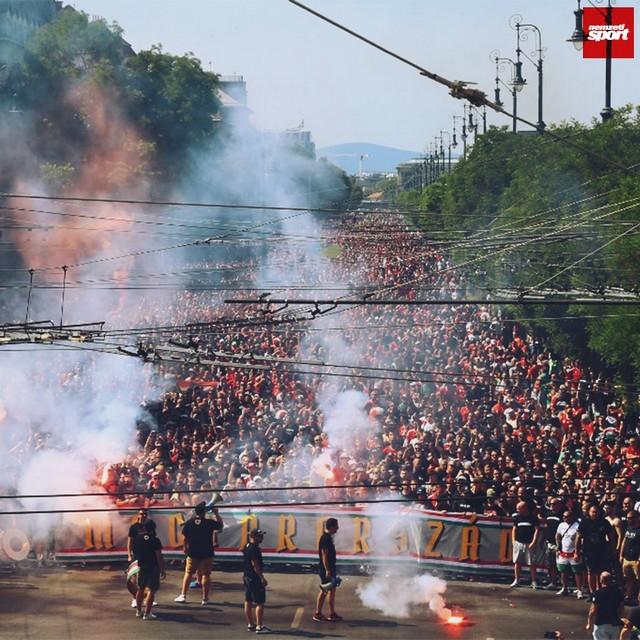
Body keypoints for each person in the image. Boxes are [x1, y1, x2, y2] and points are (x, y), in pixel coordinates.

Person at [174, 502, 223, 605]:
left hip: (193, 552)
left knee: (188, 573)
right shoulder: (209, 522)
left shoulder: (190, 522)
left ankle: (183, 595)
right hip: (207, 552)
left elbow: (185, 537)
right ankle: (205, 598)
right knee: (206, 575)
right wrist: (216, 514)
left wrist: (185, 547)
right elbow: (220, 525)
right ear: (204, 512)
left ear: (196, 511)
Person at [577, 505, 616, 595]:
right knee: (590, 571)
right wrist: (577, 551)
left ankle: (600, 591)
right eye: (593, 512)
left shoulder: (604, 522)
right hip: (588, 551)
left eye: (596, 512)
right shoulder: (584, 522)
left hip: (602, 550)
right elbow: (578, 537)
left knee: (600, 571)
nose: (595, 513)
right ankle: (592, 592)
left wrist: (612, 549)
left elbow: (611, 537)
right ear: (589, 512)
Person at [132, 521, 166, 621]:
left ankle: (138, 611)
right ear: (153, 528)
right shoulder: (155, 540)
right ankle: (147, 613)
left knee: (140, 589)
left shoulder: (137, 539)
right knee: (151, 590)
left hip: (141, 566)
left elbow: (135, 555)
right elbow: (159, 556)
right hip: (153, 567)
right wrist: (162, 569)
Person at [314, 517, 342, 623]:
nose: (337, 528)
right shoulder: (325, 538)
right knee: (324, 590)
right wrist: (327, 570)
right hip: (327, 569)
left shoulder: (328, 537)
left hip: (330, 568)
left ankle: (332, 613)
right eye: (336, 526)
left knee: (331, 591)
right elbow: (324, 555)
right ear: (331, 526)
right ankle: (318, 613)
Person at [242, 528, 270, 634]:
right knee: (260, 602)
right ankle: (259, 626)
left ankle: (251, 624)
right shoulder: (254, 549)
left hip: (246, 576)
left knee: (248, 600)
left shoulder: (247, 546)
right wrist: (262, 578)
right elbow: (255, 565)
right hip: (254, 578)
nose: (262, 538)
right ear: (253, 537)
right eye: (259, 536)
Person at [127, 509, 155, 608]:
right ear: (138, 515)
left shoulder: (150, 527)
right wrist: (129, 555)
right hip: (137, 555)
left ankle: (147, 598)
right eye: (141, 514)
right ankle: (135, 598)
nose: (143, 515)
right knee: (135, 577)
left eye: (145, 514)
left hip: (148, 555)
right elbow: (129, 542)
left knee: (147, 577)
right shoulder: (133, 527)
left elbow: (153, 541)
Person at [510, 500, 540, 589]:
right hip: (518, 542)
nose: (517, 510)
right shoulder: (517, 518)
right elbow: (514, 529)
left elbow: (537, 530)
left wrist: (534, 542)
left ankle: (534, 581)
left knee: (532, 563)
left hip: (529, 543)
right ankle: (516, 580)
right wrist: (513, 541)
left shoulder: (533, 518)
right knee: (517, 562)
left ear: (524, 508)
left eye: (519, 508)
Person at [586, 571, 624, 640]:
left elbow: (593, 610)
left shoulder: (597, 593)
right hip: (614, 623)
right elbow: (621, 608)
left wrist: (589, 623)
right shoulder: (618, 592)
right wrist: (620, 620)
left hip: (601, 624)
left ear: (601, 580)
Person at [555, 510, 585, 599]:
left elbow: (581, 539)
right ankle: (565, 588)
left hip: (574, 552)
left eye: (567, 516)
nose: (565, 518)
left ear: (572, 517)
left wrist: (578, 551)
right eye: (563, 516)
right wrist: (558, 546)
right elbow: (558, 535)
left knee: (577, 572)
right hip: (563, 552)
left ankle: (580, 590)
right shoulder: (561, 525)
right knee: (563, 571)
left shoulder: (577, 525)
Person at [621, 511, 640, 604]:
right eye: (628, 518)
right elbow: (624, 541)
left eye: (631, 518)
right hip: (627, 558)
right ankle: (628, 595)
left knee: (638, 579)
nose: (629, 520)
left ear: (637, 518)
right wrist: (621, 555)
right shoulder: (628, 528)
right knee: (628, 579)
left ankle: (638, 597)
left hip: (636, 560)